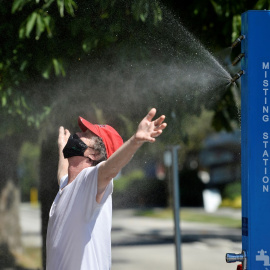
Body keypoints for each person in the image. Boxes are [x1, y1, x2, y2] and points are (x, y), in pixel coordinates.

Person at [46, 108, 167, 270]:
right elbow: (62, 172)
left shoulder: (89, 182)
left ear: (95, 155)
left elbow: (110, 169)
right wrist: (62, 147)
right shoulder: (66, 185)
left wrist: (135, 141)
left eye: (86, 135)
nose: (77, 134)